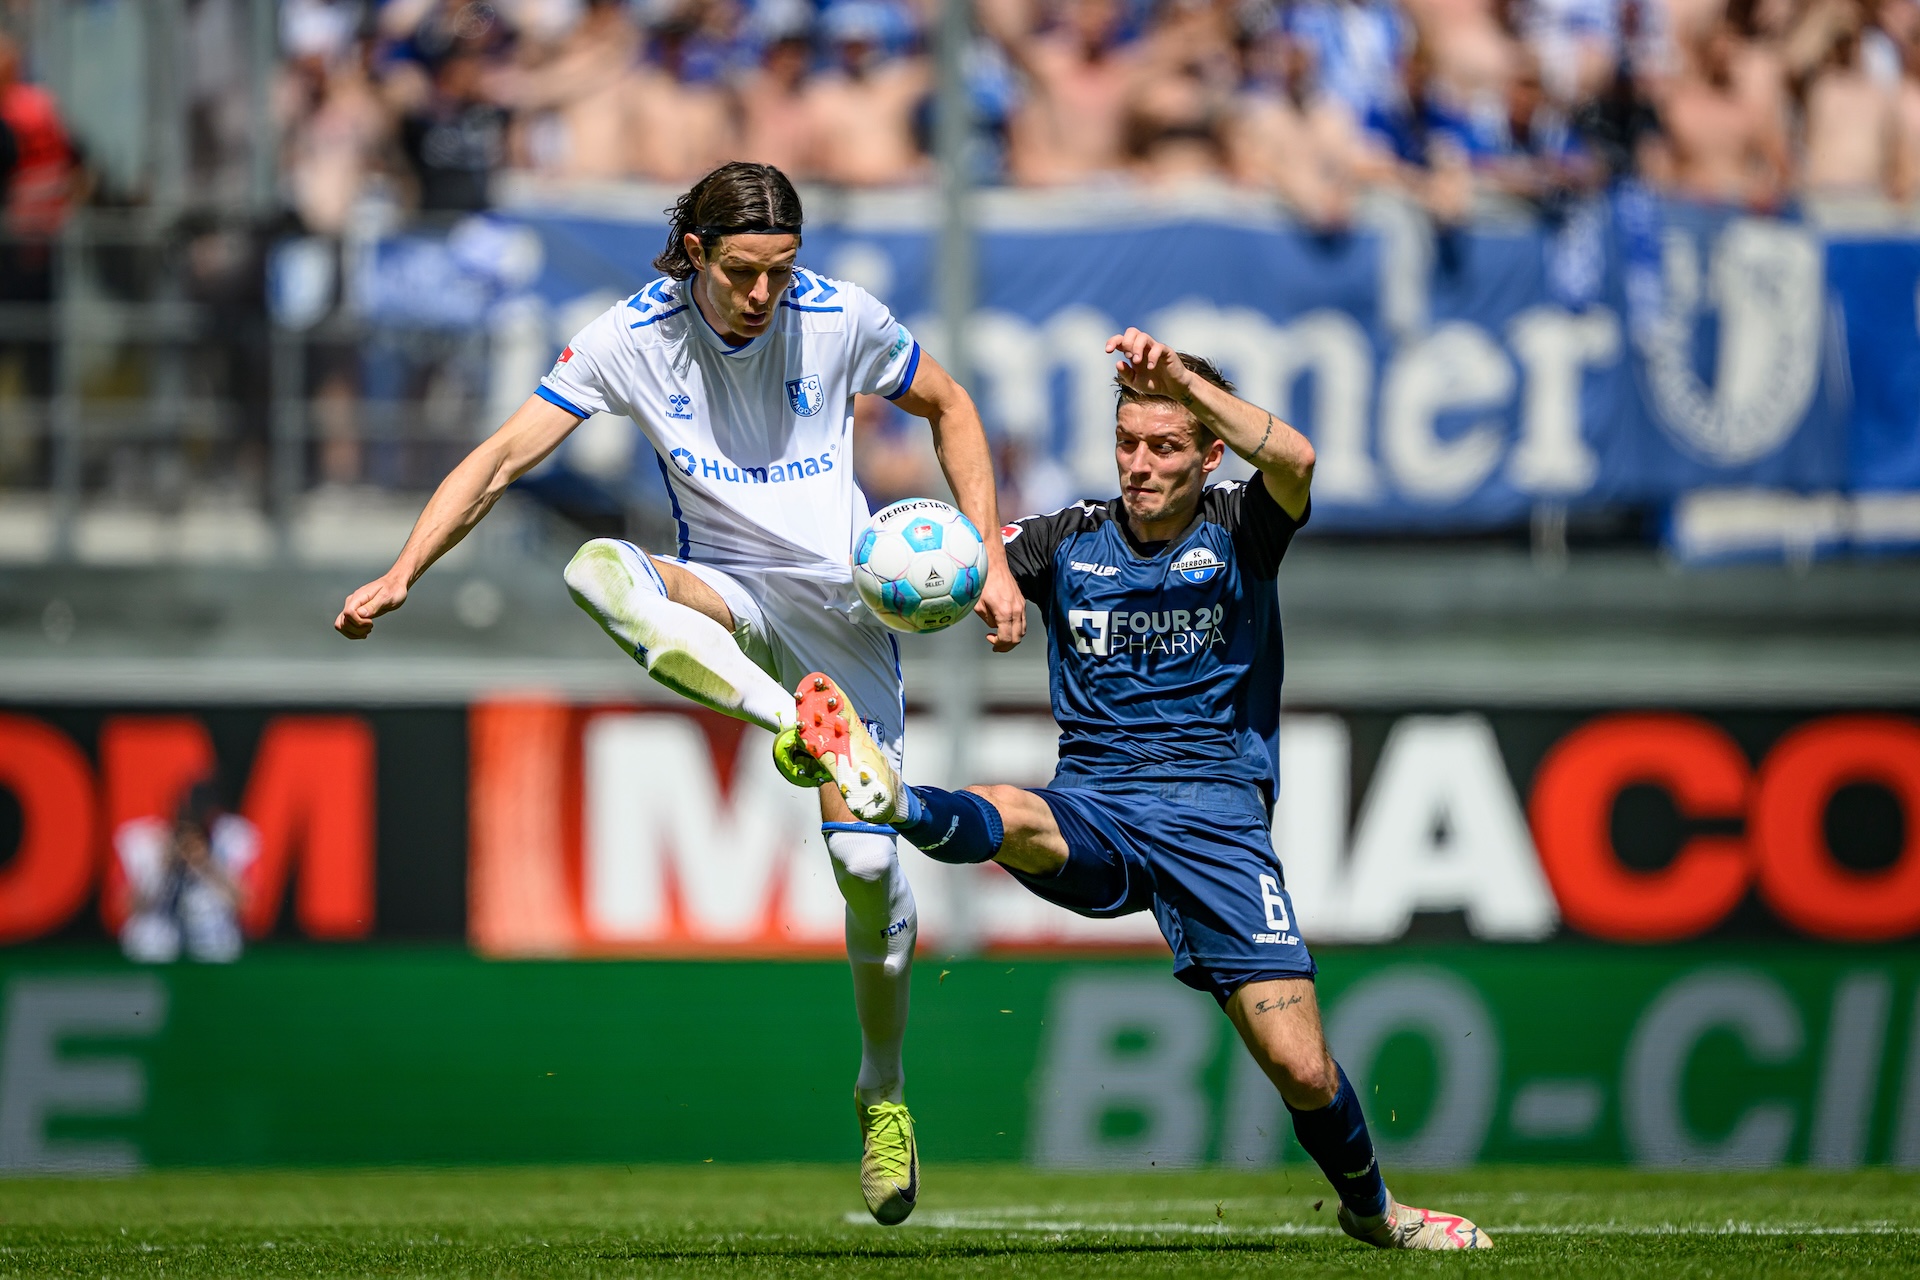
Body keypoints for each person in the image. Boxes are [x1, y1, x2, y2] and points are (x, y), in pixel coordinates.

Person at [334, 161, 1027, 1226]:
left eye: (782, 272)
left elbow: (950, 402)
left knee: (864, 865)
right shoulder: (632, 335)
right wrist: (404, 569)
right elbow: (503, 457)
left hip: (845, 616)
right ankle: (791, 719)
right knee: (595, 569)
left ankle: (881, 1089)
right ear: (695, 253)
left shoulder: (838, 318)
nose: (766, 294)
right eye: (745, 271)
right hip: (730, 597)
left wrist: (992, 552)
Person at [786, 327, 1491, 1252]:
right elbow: (948, 565)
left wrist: (1187, 385)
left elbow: (1297, 457)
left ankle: (1375, 1213)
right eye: (1128, 444)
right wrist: (987, 579)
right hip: (1099, 805)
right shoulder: (1068, 539)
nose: (1141, 465)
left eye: (1165, 446)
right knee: (1012, 809)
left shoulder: (1245, 525)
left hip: (1217, 822)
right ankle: (897, 802)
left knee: (1302, 1068)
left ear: (1206, 448)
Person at [116, 782, 257, 966]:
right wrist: (161, 867)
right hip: (156, 948)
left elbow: (247, 904)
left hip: (213, 947)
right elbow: (124, 908)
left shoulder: (232, 841)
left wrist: (207, 865)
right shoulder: (144, 843)